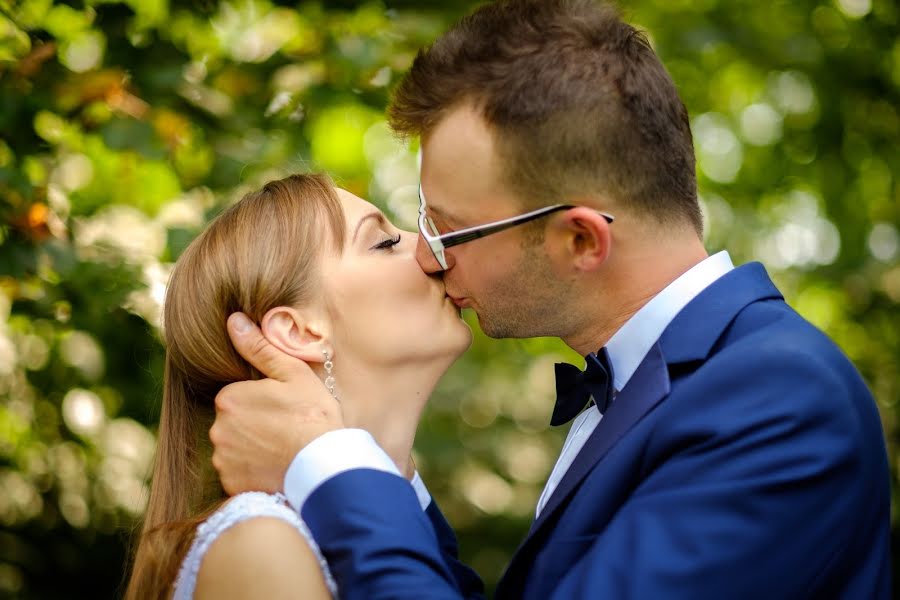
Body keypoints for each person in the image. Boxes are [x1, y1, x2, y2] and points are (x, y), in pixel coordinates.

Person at [209, 0, 891, 598]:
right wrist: (386, 478)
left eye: (448, 230)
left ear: (580, 242)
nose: (425, 256)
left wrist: (324, 461)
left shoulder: (779, 402)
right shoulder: (658, 387)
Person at [124, 173, 476, 599]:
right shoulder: (261, 547)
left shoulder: (413, 534)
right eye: (383, 243)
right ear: (299, 331)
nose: (430, 250)